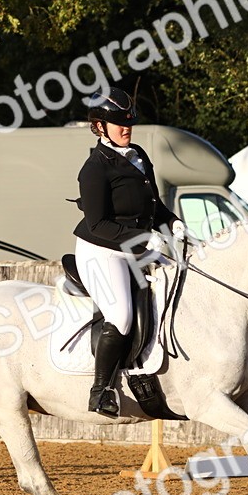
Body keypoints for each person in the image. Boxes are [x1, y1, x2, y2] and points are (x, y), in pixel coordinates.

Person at [73, 88, 186, 417]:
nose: (126, 129)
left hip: (139, 245)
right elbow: (98, 225)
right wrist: (144, 238)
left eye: (129, 124)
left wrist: (173, 222)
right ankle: (101, 390)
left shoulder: (137, 155)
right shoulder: (94, 169)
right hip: (102, 250)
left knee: (180, 283)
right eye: (118, 124)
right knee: (121, 315)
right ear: (99, 126)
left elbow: (154, 205)